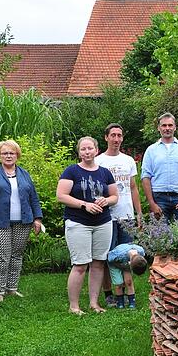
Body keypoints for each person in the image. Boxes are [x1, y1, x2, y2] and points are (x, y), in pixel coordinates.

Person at [57, 136, 119, 315]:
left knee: (99, 263)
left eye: (90, 148)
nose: (86, 152)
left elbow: (115, 197)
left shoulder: (105, 173)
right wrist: (85, 204)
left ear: (96, 150)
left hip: (102, 223)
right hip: (78, 223)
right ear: (79, 152)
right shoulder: (71, 171)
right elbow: (61, 195)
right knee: (80, 264)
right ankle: (74, 306)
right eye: (83, 149)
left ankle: (94, 303)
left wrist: (105, 200)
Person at [0, 140, 44, 303]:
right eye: (5, 153)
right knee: (2, 257)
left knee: (17, 256)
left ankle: (12, 288)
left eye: (12, 153)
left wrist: (37, 218)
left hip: (23, 221)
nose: (8, 156)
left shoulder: (25, 174)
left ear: (17, 155)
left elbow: (33, 197)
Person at [95, 123, 142, 307]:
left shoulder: (128, 160)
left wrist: (139, 213)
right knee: (107, 256)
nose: (116, 139)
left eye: (119, 135)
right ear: (106, 137)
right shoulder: (99, 161)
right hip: (107, 216)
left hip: (127, 215)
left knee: (127, 255)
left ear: (122, 138)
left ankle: (126, 291)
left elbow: (133, 187)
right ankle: (109, 293)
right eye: (112, 135)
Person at [141, 113, 178, 223]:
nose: (167, 128)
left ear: (175, 127)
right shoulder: (151, 150)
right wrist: (151, 203)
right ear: (159, 128)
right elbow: (145, 177)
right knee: (160, 237)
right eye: (164, 125)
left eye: (170, 125)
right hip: (159, 199)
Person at [106, 243, 147, 309]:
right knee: (118, 283)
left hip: (126, 262)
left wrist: (126, 266)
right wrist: (121, 266)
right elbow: (109, 259)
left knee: (129, 282)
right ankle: (120, 302)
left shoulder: (141, 252)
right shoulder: (119, 254)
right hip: (114, 263)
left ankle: (132, 302)